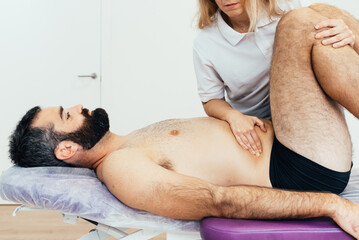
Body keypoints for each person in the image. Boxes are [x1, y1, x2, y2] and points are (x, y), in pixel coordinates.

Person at [8, 4, 359, 239]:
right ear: (67, 148)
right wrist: (331, 204)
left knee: (321, 20)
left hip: (290, 142)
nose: (80, 105)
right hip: (296, 169)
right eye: (67, 115)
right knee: (299, 24)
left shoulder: (128, 144)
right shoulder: (120, 170)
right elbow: (221, 201)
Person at [193, 0, 357, 157]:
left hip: (307, 106)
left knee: (326, 18)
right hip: (264, 129)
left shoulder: (287, 6)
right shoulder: (206, 42)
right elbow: (210, 100)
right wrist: (232, 116)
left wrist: (347, 33)